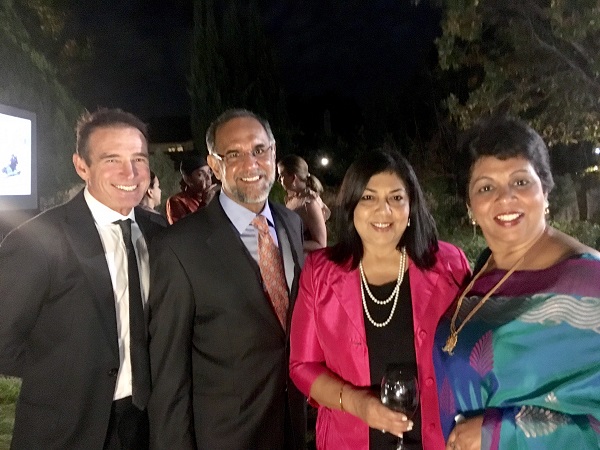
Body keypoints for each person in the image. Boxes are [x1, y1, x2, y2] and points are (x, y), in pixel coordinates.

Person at [0, 108, 166, 448]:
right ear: (81, 166)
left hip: (146, 424)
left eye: (139, 159)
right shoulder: (37, 240)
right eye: (112, 160)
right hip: (65, 428)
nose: (130, 173)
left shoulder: (158, 233)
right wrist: (62, 370)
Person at [433, 116, 600, 450]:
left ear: (545, 191)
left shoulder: (588, 283)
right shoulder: (485, 271)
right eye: (485, 187)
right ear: (470, 206)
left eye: (521, 182)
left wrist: (497, 434)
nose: (504, 197)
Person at [289, 149, 471, 449]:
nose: (383, 210)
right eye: (368, 197)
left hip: (440, 439)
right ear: (351, 206)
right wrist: (357, 403)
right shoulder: (319, 273)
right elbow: (302, 365)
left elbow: (476, 351)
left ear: (411, 206)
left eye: (396, 198)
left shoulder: (449, 265)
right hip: (350, 440)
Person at [147, 108, 306, 449]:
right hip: (224, 437)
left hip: (292, 428)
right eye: (234, 154)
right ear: (215, 166)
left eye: (259, 150)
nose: (251, 164)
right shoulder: (178, 248)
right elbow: (169, 377)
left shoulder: (291, 224)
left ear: (274, 153)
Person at [278, 154, 330, 251]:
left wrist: (288, 243)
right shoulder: (294, 198)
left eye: (282, 176)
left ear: (293, 178)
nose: (279, 180)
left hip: (304, 259)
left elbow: (321, 244)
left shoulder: (310, 203)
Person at [165, 154, 217, 224]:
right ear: (187, 179)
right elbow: (184, 228)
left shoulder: (216, 197)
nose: (208, 178)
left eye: (209, 172)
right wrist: (204, 203)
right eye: (200, 174)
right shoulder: (177, 201)